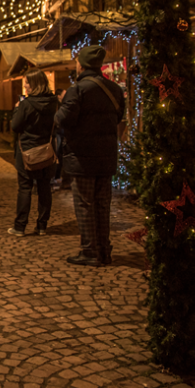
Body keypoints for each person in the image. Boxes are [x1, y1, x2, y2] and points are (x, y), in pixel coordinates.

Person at [55, 45, 125, 267]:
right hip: (106, 157)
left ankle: (89, 252)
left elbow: (62, 120)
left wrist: (62, 104)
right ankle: (104, 249)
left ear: (82, 65)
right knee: (102, 205)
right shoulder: (114, 89)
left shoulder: (77, 90)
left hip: (82, 158)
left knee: (84, 205)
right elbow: (119, 116)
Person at [9, 69, 59, 237]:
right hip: (47, 151)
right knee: (45, 188)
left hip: (27, 153)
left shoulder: (26, 105)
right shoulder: (54, 103)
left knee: (25, 188)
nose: (25, 86)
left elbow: (15, 126)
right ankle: (42, 226)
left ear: (36, 84)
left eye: (28, 83)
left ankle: (20, 227)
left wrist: (16, 110)